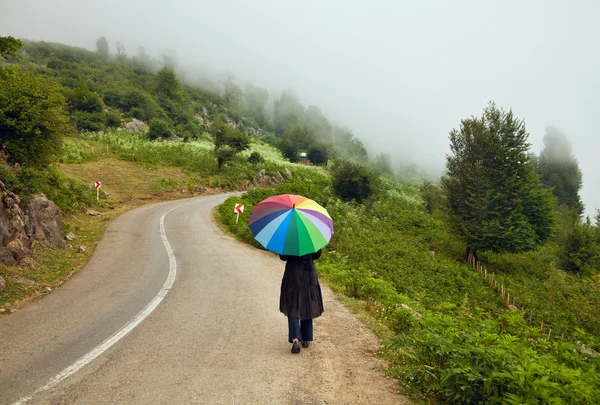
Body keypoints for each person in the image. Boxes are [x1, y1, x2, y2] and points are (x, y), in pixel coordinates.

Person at [279, 249, 324, 354]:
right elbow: (317, 255)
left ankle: (295, 338)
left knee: (293, 305)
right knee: (307, 304)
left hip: (293, 275)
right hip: (309, 274)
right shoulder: (310, 238)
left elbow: (283, 257)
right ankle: (306, 337)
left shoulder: (289, 238)